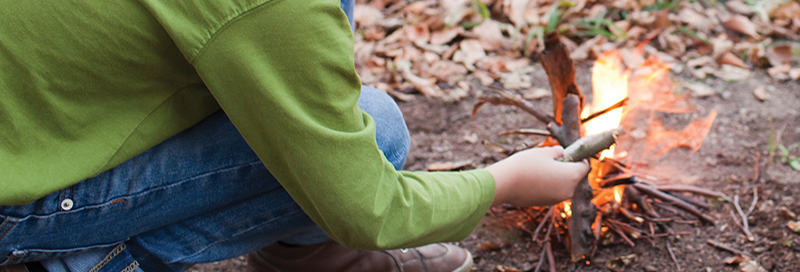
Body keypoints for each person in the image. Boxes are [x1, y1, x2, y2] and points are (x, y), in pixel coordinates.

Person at [0, 0, 590, 271]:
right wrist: (502, 183)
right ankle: (86, 261)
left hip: (36, 130)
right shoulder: (275, 7)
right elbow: (371, 207)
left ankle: (314, 255)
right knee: (378, 131)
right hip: (14, 202)